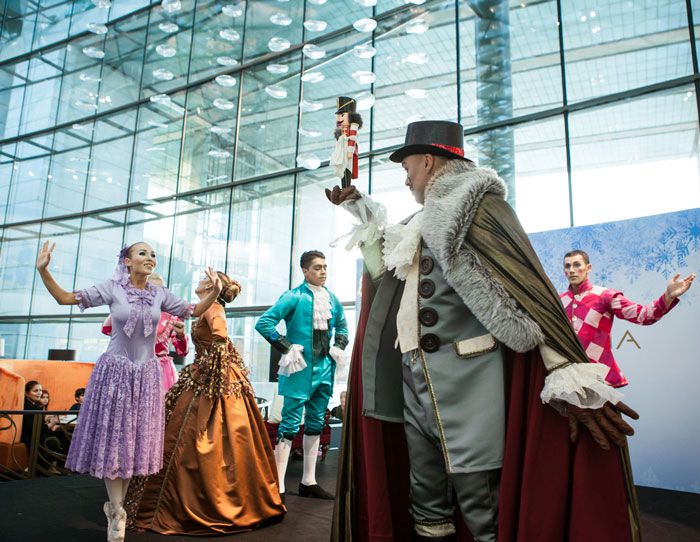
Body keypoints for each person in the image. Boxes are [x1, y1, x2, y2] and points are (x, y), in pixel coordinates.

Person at [327, 120, 641, 542]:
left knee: (479, 499)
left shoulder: (480, 208)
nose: (405, 177)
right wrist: (361, 211)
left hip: (469, 381)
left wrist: (567, 372)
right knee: (425, 495)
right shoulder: (418, 222)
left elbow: (529, 295)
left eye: (407, 166)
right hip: (413, 378)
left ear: (427, 161)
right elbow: (386, 275)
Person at [35, 240, 222, 542]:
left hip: (147, 377)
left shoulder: (160, 294)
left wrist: (214, 292)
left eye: (153, 254)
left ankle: (115, 508)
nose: (150, 258)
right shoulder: (112, 288)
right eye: (143, 253)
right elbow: (64, 298)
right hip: (115, 373)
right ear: (127, 261)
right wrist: (43, 271)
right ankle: (117, 511)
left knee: (133, 443)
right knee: (114, 441)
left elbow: (194, 309)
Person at [129, 271, 285, 535]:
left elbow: (220, 339)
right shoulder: (206, 308)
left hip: (213, 378)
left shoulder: (213, 308)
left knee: (202, 435)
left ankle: (205, 500)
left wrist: (212, 375)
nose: (199, 281)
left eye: (204, 279)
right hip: (205, 373)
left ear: (212, 286)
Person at [255, 250, 349, 500]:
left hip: (325, 369)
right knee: (289, 424)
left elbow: (343, 326)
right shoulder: (293, 296)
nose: (323, 271)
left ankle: (309, 481)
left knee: (317, 422)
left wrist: (339, 346)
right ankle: (278, 486)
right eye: (317, 267)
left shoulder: (332, 299)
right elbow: (264, 323)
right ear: (305, 271)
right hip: (298, 369)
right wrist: (286, 347)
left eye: (325, 267)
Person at [561, 249, 695, 387]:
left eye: (577, 265)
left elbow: (643, 315)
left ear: (588, 268)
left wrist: (668, 296)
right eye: (567, 266)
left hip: (599, 376)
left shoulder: (605, 296)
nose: (571, 270)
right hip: (567, 376)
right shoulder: (559, 301)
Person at [102, 273, 188, 394]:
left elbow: (182, 352)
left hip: (159, 372)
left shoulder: (172, 317)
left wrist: (181, 335)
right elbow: (106, 329)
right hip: (131, 367)